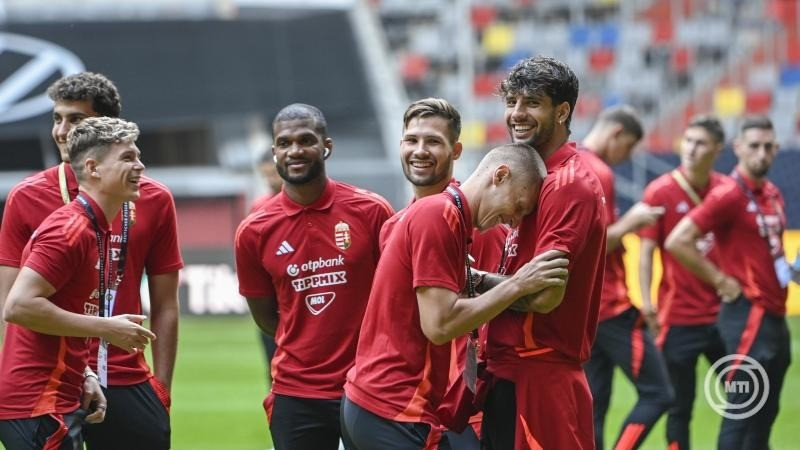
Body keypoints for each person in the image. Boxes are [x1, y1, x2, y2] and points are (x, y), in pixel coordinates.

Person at [342, 142, 569, 450]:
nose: (514, 220)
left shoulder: (447, 218)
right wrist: (518, 284)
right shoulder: (440, 215)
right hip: (395, 405)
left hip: (380, 405)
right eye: (518, 205)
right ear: (500, 176)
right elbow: (440, 326)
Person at [0, 72, 182, 450]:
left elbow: (166, 301)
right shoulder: (61, 221)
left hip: (109, 373)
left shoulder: (145, 202)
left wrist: (161, 386)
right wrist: (104, 328)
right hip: (45, 388)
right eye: (57, 118)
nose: (63, 131)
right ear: (95, 166)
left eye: (75, 119)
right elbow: (12, 305)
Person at [234, 103, 394, 450]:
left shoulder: (372, 211)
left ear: (327, 146)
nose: (295, 150)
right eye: (285, 143)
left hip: (368, 383)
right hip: (296, 391)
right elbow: (264, 315)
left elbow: (393, 294)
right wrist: (305, 345)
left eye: (306, 140)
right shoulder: (254, 231)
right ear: (275, 151)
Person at [480, 56, 606, 450]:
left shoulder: (566, 183)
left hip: (538, 373)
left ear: (563, 111)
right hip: (514, 371)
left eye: (532, 103)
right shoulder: (538, 177)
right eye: (512, 101)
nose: (517, 114)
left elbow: (545, 296)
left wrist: (472, 282)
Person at [380, 97, 507, 449]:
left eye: (433, 141)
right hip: (413, 405)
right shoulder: (394, 225)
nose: (420, 151)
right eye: (412, 140)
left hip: (466, 412)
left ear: (456, 150)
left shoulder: (481, 225)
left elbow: (498, 313)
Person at [666, 115, 791, 449]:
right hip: (747, 314)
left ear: (776, 149)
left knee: (766, 411)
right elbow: (678, 239)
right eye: (753, 146)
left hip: (775, 314)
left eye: (767, 146)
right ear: (737, 149)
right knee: (743, 409)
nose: (761, 153)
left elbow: (770, 248)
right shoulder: (729, 195)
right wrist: (720, 280)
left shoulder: (774, 194)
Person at [579, 105, 674, 450]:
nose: (627, 156)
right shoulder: (598, 170)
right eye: (630, 147)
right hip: (611, 307)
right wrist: (633, 222)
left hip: (587, 311)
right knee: (659, 393)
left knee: (594, 408)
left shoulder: (574, 162)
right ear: (617, 133)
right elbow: (593, 247)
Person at [638, 115, 728, 449]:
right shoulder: (660, 191)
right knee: (679, 407)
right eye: (688, 140)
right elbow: (646, 252)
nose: (690, 149)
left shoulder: (726, 190)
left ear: (718, 149)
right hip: (679, 318)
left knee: (748, 397)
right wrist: (647, 303)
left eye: (700, 142)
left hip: (725, 315)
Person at [250, 152, 283, 380]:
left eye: (273, 174)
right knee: (274, 373)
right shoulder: (259, 208)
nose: (271, 180)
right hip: (273, 306)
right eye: (266, 175)